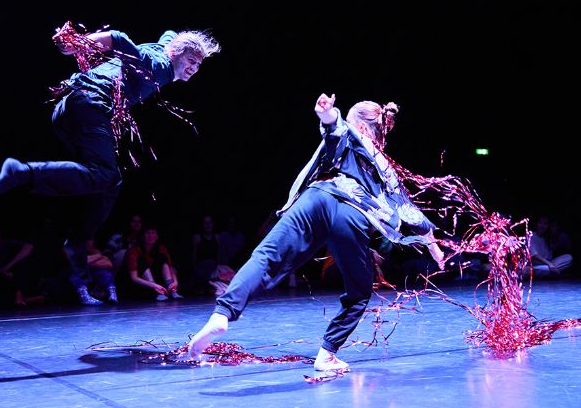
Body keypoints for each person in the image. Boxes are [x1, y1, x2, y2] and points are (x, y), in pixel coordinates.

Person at [187, 93, 445, 371]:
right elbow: (407, 209)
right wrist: (433, 245)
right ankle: (327, 354)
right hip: (351, 215)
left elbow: (334, 129)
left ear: (356, 123)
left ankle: (222, 314)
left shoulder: (349, 134)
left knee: (266, 256)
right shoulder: (383, 165)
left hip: (316, 199)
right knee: (359, 292)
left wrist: (327, 114)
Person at [0, 25, 220, 305]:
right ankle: (21, 172)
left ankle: (79, 239)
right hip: (90, 106)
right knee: (104, 174)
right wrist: (77, 42)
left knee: (110, 182)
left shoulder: (164, 47)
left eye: (199, 65)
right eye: (191, 62)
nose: (194, 69)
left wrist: (188, 43)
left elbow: (168, 32)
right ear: (176, 54)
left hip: (68, 110)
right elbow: (118, 38)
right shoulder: (160, 64)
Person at [124, 225, 183, 301]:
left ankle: (172, 290)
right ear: (142, 236)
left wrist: (175, 282)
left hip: (157, 283)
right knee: (141, 260)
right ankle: (157, 293)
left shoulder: (161, 249)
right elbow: (134, 278)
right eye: (147, 233)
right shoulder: (134, 250)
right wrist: (153, 285)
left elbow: (170, 268)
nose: (150, 235)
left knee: (162, 258)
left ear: (157, 236)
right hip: (141, 284)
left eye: (153, 233)